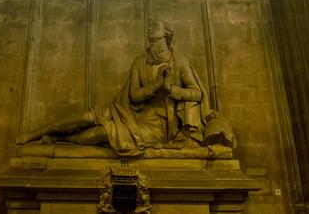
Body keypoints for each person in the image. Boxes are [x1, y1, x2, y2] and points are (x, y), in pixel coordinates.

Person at [16, 21, 211, 156]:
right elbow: (134, 96)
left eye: (159, 46)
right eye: (151, 44)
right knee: (85, 118)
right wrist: (156, 85)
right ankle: (37, 133)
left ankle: (60, 140)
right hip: (127, 110)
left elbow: (197, 92)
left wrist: (172, 90)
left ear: (168, 42)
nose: (155, 50)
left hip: (156, 124)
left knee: (100, 133)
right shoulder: (140, 61)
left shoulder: (179, 62)